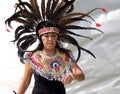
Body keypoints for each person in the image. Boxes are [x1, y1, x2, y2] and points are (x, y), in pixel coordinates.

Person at [5, 0, 105, 94]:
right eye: (46, 36)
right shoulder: (32, 57)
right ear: (40, 38)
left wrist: (72, 75)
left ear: (58, 37)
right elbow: (26, 81)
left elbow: (81, 76)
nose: (50, 39)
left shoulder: (65, 56)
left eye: (53, 36)